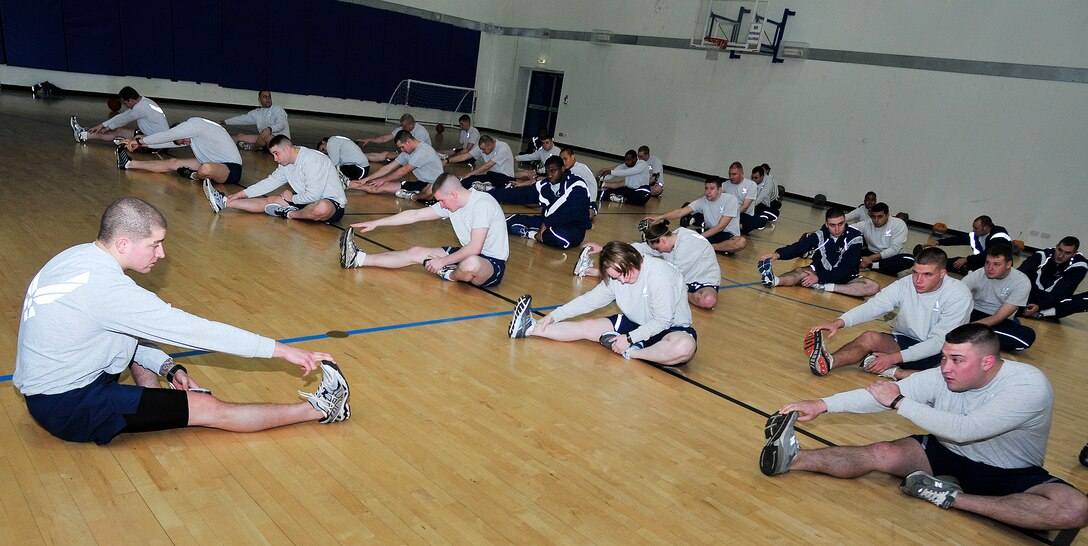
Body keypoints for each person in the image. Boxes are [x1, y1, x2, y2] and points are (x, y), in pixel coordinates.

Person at [13, 197, 350, 445]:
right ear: (124, 243)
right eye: (155, 245)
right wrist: (282, 351)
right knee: (208, 407)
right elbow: (197, 332)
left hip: (53, 387)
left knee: (140, 345)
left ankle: (158, 405)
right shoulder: (109, 291)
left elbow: (121, 331)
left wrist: (169, 368)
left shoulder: (77, 256)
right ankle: (321, 409)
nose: (160, 254)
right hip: (67, 406)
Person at [760, 324, 1088, 532]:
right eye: (944, 357)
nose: (945, 368)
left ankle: (951, 497)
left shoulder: (1028, 386)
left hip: (1011, 473)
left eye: (957, 360)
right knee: (881, 452)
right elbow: (877, 396)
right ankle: (794, 458)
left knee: (1076, 509)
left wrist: (900, 403)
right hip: (946, 452)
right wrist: (822, 404)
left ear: (987, 363)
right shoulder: (945, 374)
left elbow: (967, 429)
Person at [508, 241, 697, 366]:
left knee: (683, 348)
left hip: (670, 328)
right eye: (615, 277)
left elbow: (663, 321)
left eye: (623, 275)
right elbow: (589, 301)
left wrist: (629, 340)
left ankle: (633, 353)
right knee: (587, 326)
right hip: (636, 323)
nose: (621, 281)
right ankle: (529, 328)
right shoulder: (618, 277)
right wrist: (553, 315)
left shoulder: (660, 276)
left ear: (632, 260)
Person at [805, 247, 973, 380]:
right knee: (869, 337)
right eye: (916, 273)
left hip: (940, 352)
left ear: (942, 273)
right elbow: (874, 306)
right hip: (905, 340)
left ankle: (894, 371)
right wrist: (839, 322)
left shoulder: (958, 294)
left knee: (945, 379)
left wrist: (892, 358)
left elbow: (938, 343)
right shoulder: (906, 283)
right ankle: (828, 362)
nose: (919, 280)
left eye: (927, 274)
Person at [339, 173, 509, 287]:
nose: (441, 205)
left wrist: (443, 261)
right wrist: (377, 223)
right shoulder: (451, 204)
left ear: (454, 195)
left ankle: (448, 275)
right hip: (466, 253)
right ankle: (358, 259)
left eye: (442, 201)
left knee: (470, 263)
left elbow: (474, 248)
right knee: (416, 252)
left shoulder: (482, 205)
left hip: (491, 263)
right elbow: (414, 215)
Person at [578, 221, 722, 309]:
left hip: (703, 282)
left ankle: (594, 272)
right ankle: (592, 271)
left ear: (663, 241)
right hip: (681, 280)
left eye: (657, 249)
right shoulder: (671, 238)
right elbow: (638, 248)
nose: (656, 251)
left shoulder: (688, 245)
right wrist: (603, 248)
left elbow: (671, 276)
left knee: (707, 301)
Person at [202, 135, 346, 223]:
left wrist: (292, 198)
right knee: (271, 200)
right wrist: (241, 194)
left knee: (322, 207)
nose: (275, 159)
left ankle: (290, 214)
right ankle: (224, 203)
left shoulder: (312, 160)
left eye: (276, 153)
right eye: (273, 155)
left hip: (332, 205)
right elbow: (269, 183)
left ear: (287, 149)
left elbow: (314, 195)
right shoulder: (286, 164)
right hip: (305, 202)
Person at [757, 207, 878, 297]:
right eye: (832, 225)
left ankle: (826, 286)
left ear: (845, 221)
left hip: (845, 277)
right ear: (826, 224)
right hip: (818, 270)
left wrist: (819, 278)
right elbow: (801, 246)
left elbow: (847, 266)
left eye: (840, 224)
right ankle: (774, 281)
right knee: (800, 272)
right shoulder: (821, 234)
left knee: (873, 286)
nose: (837, 229)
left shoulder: (855, 237)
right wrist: (777, 254)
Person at [117, 117, 244, 185]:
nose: (184, 144)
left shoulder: (194, 125)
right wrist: (142, 145)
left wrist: (138, 141)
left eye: (181, 140)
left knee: (206, 169)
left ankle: (193, 175)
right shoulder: (192, 132)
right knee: (173, 162)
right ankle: (129, 164)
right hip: (212, 162)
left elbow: (166, 136)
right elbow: (169, 141)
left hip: (231, 169)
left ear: (181, 131)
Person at [505, 156, 592, 249]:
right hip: (547, 220)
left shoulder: (577, 184)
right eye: (547, 172)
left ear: (562, 169)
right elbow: (523, 194)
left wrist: (547, 223)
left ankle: (531, 234)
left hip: (572, 227)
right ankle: (536, 230)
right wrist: (491, 195)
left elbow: (570, 212)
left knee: (560, 239)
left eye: (553, 171)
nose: (550, 175)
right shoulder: (546, 184)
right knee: (506, 222)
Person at [644, 177, 747, 254]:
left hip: (727, 235)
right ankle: (705, 245)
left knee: (741, 242)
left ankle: (708, 247)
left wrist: (699, 238)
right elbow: (681, 212)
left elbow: (721, 226)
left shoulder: (730, 200)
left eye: (712, 188)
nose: (708, 192)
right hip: (710, 232)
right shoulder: (702, 201)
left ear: (719, 190)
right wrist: (660, 217)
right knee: (682, 234)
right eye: (706, 188)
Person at [961, 245, 1035, 351]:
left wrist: (967, 328)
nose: (989, 268)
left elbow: (998, 317)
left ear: (1008, 264)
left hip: (998, 320)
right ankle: (975, 338)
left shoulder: (1022, 282)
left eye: (996, 264)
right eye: (987, 263)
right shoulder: (979, 274)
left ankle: (965, 334)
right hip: (973, 312)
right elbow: (956, 294)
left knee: (1027, 337)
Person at [348, 130, 444, 202]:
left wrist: (383, 179)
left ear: (408, 142)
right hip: (421, 183)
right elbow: (388, 168)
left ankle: (414, 196)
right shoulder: (407, 152)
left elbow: (403, 171)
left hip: (434, 185)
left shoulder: (423, 151)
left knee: (429, 191)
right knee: (377, 187)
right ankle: (347, 184)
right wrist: (366, 179)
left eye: (402, 147)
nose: (402, 150)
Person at [70, 86, 174, 147]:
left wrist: (107, 128)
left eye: (125, 103)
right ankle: (83, 135)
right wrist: (102, 125)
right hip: (152, 134)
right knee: (118, 131)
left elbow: (123, 120)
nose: (125, 105)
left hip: (157, 142)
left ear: (131, 100)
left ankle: (82, 135)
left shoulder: (140, 108)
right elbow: (124, 115)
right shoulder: (144, 101)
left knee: (118, 133)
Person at [1018, 236, 1087, 319]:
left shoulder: (1079, 265)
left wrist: (1040, 306)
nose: (1060, 256)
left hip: (1054, 304)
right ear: (1056, 246)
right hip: (1028, 297)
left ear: (1074, 253)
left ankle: (1042, 313)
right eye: (1059, 250)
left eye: (1067, 253)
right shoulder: (1043, 255)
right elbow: (1019, 274)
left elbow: (1061, 291)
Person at [924, 215, 1011, 275]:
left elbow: (990, 255)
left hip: (994, 267)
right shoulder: (978, 234)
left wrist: (967, 259)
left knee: (958, 264)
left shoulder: (999, 237)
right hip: (978, 263)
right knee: (954, 262)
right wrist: (939, 242)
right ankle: (926, 263)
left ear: (987, 228)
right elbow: (960, 239)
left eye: (976, 228)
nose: (973, 230)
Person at [854, 202, 914, 275]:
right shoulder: (867, 223)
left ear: (887, 215)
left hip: (891, 256)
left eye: (880, 216)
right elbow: (849, 229)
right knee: (849, 253)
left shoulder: (898, 224)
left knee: (909, 259)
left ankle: (872, 265)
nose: (876, 220)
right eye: (873, 216)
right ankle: (881, 267)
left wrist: (870, 259)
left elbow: (895, 249)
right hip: (871, 252)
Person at [221, 90, 290, 151]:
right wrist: (224, 122)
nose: (267, 99)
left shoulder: (278, 109)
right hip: (264, 142)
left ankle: (252, 147)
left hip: (282, 144)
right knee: (239, 136)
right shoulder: (257, 113)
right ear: (259, 99)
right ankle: (219, 145)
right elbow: (242, 119)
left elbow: (282, 124)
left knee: (265, 136)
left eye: (269, 96)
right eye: (264, 97)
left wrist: (270, 129)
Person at [446, 135, 516, 191]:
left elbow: (487, 166)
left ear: (490, 145)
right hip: (492, 175)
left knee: (471, 182)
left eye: (484, 149)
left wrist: (469, 174)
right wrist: (447, 160)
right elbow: (466, 156)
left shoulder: (503, 147)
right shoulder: (483, 147)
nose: (482, 151)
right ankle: (487, 187)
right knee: (466, 182)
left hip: (505, 178)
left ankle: (495, 187)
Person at [357, 113, 431, 162]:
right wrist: (369, 140)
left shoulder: (421, 132)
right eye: (402, 125)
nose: (402, 128)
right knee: (385, 154)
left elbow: (416, 152)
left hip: (420, 158)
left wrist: (397, 154)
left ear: (411, 125)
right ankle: (358, 156)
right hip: (408, 154)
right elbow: (384, 138)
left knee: (388, 156)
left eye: (404, 126)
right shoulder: (404, 129)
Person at [723, 162, 767, 233]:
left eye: (734, 174)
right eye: (730, 174)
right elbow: (712, 193)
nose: (731, 177)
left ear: (742, 174)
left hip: (743, 214)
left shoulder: (751, 185)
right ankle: (732, 226)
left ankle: (735, 226)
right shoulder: (726, 184)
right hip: (728, 213)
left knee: (761, 220)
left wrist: (729, 216)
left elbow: (744, 208)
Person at [560, 147, 599, 217]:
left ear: (572, 157)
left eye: (565, 159)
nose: (563, 162)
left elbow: (559, 178)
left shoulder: (576, 169)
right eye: (561, 160)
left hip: (589, 201)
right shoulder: (579, 166)